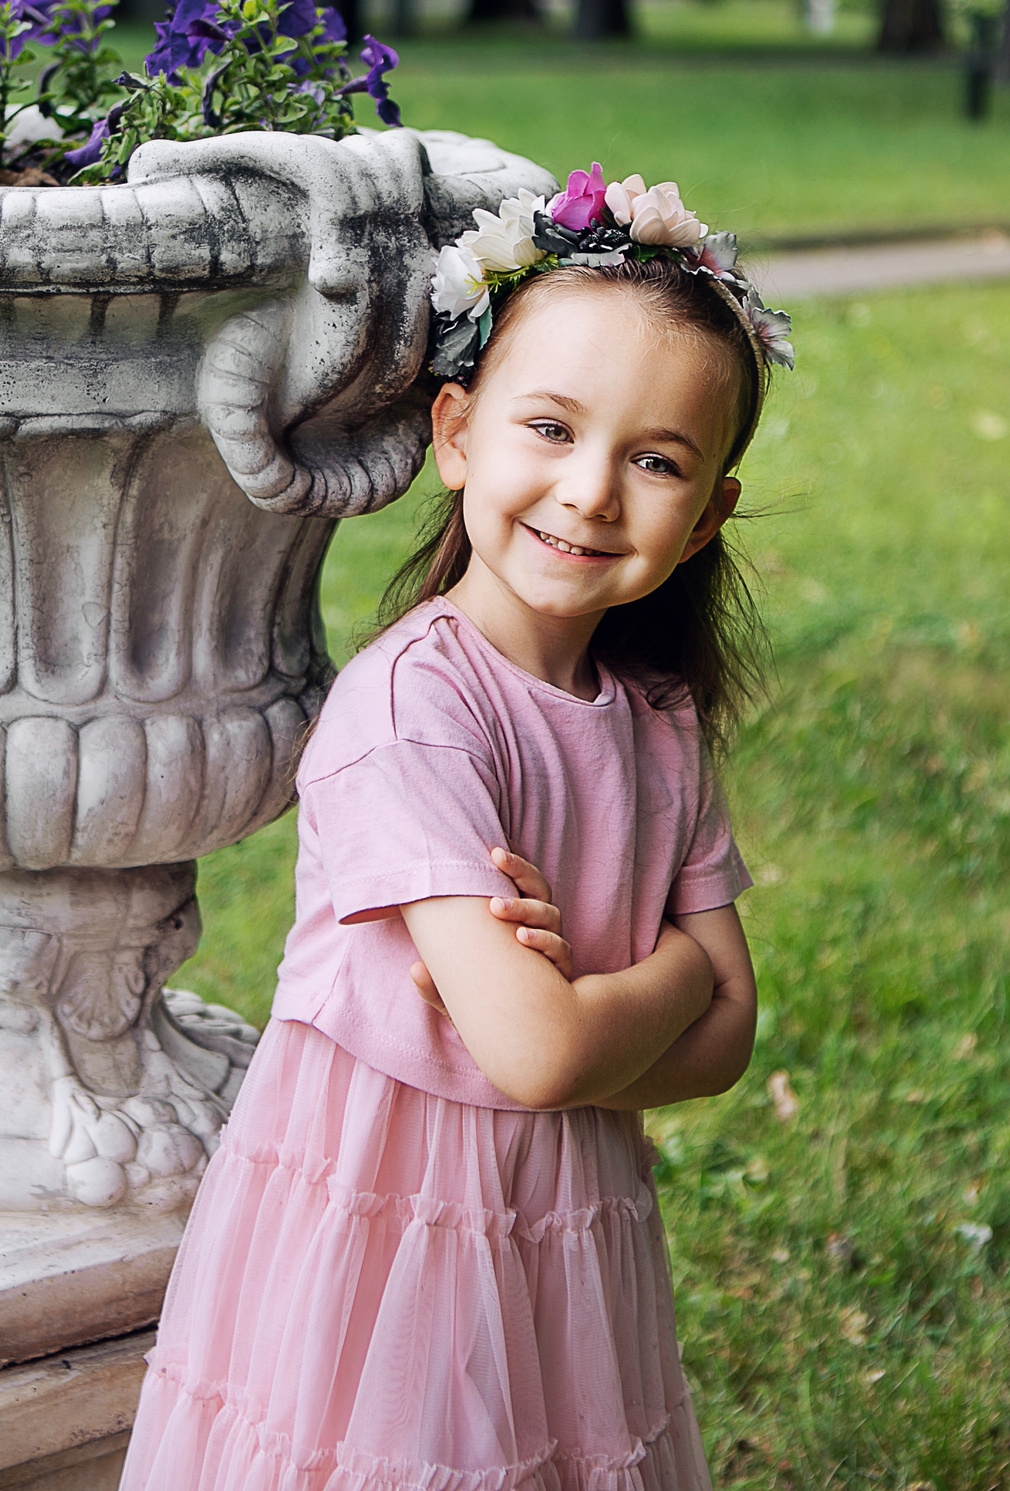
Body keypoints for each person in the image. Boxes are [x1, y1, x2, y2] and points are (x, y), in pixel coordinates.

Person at [119, 163, 794, 1491]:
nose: (592, 493)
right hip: (395, 1224)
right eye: (551, 428)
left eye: (655, 460)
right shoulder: (410, 714)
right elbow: (548, 1050)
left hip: (565, 1216)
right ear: (457, 432)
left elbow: (727, 1045)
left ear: (708, 512)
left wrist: (607, 1009)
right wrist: (665, 974)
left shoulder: (657, 720)